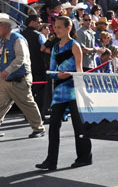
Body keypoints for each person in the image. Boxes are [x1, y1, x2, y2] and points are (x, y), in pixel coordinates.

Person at [35, 16, 92, 170]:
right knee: (54, 126)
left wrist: (70, 75)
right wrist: (57, 75)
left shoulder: (75, 46)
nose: (56, 30)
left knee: (78, 126)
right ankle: (51, 160)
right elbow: (52, 71)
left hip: (74, 90)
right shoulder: (55, 48)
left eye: (59, 27)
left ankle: (84, 157)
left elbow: (80, 71)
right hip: (60, 91)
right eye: (55, 27)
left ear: (68, 28)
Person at [0, 13, 46, 139]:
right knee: (0, 104)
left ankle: (39, 128)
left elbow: (21, 58)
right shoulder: (3, 41)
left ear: (4, 26)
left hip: (19, 79)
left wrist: (6, 71)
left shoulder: (17, 39)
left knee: (28, 104)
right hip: (6, 80)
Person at [21, 15, 49, 123]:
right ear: (32, 22)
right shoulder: (39, 35)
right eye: (39, 22)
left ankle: (27, 115)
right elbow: (45, 49)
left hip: (25, 68)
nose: (40, 24)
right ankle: (40, 116)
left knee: (28, 93)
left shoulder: (20, 35)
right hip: (39, 67)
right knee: (40, 93)